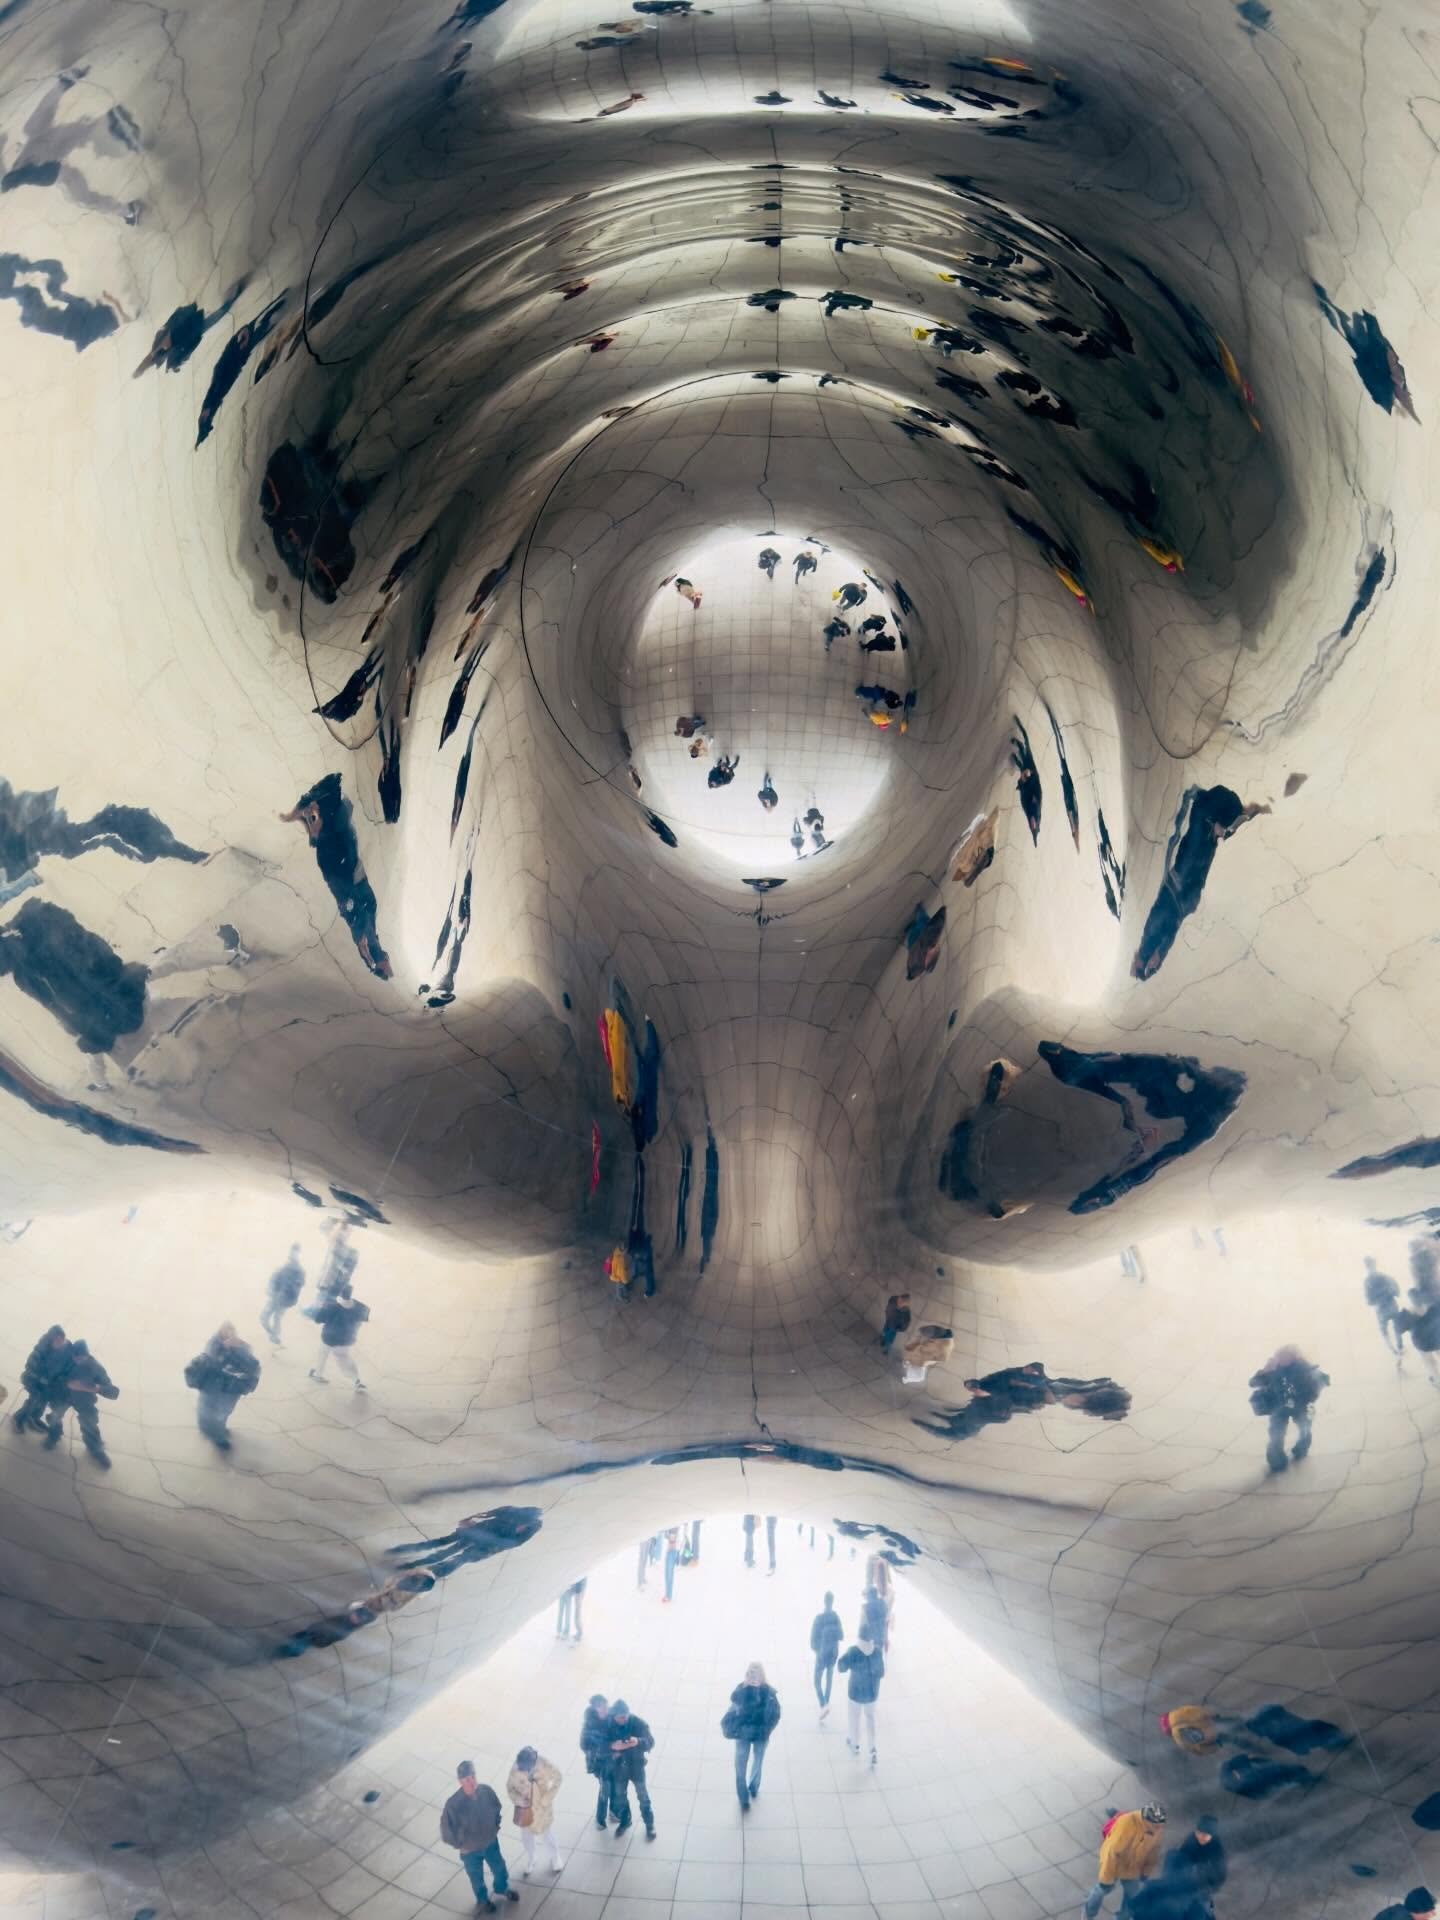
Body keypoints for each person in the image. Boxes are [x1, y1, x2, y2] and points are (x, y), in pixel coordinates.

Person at [440, 1760, 519, 1914]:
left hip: (490, 1842)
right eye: (466, 1779)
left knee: (500, 1868)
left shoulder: (486, 1791)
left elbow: (497, 1808)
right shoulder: (453, 1804)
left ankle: (502, 1888)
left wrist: (494, 1828)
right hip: (470, 1852)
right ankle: (483, 1900)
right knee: (477, 1878)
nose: (471, 1782)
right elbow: (446, 1831)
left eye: (473, 1776)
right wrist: (462, 1843)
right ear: (460, 1781)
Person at [1248, 1346, 1328, 1472]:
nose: (1283, 1359)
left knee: (1304, 1429)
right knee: (1276, 1433)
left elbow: (1316, 1385)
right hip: (1280, 1406)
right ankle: (1276, 1461)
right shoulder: (1274, 1370)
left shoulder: (1303, 1368)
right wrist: (1264, 1371)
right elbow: (1253, 1383)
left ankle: (1301, 1448)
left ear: (1294, 1357)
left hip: (1301, 1406)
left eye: (1286, 1356)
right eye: (1280, 1357)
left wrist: (1305, 1399)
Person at [41, 1338, 118, 1468]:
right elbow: (53, 1377)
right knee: (55, 1415)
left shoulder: (95, 1367)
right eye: (75, 1358)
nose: (77, 1361)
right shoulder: (65, 1361)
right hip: (64, 1396)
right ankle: (54, 1434)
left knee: (89, 1423)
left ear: (87, 1355)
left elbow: (114, 1392)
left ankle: (95, 1448)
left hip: (84, 1399)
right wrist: (65, 1383)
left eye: (81, 1358)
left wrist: (90, 1388)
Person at [183, 1322, 261, 1450]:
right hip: (212, 1389)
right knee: (209, 1414)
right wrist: (225, 1350)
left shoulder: (242, 1347)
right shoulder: (213, 1346)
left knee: (224, 1412)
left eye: (232, 1333)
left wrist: (238, 1349)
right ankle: (218, 1439)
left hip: (230, 1390)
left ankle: (220, 1429)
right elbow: (211, 1362)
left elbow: (252, 1366)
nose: (229, 1338)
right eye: (225, 1334)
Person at [1082, 1804, 1167, 1918]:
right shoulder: (1127, 1823)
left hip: (1133, 1868)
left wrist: (1145, 1872)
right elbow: (1111, 1852)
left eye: (1161, 1825)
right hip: (1115, 1864)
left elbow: (1153, 1852)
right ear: (1147, 1821)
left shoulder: (1157, 1829)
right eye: (1157, 1826)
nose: (1159, 1829)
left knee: (1133, 1898)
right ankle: (1088, 1914)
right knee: (1102, 1890)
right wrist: (1106, 1878)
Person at [1129, 1819, 1225, 1920]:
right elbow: (1181, 1857)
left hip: (1199, 1886)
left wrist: (1205, 1886)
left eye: (1205, 1835)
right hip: (1181, 1879)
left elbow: (1219, 1877)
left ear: (1212, 1836)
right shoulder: (1191, 1839)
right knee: (1155, 1891)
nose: (1201, 1837)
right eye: (1199, 1833)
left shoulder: (1217, 1851)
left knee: (1201, 1909)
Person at [724, 1662, 781, 1809]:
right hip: (742, 1733)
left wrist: (767, 1730)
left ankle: (754, 1786)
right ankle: (743, 1797)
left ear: (761, 1676)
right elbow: (734, 1701)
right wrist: (745, 1687)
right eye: (748, 1673)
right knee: (740, 1765)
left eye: (754, 1674)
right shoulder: (741, 1689)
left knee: (758, 1760)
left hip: (761, 1734)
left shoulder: (768, 1692)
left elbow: (775, 1714)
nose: (751, 1676)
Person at [506, 1746, 563, 1876]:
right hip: (524, 1810)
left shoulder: (544, 1764)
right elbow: (510, 1788)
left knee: (547, 1835)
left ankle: (556, 1857)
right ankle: (532, 1858)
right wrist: (517, 1800)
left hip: (541, 1808)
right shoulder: (516, 1768)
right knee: (526, 1837)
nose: (524, 1771)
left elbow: (558, 1778)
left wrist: (546, 1799)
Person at [606, 1700, 656, 1837]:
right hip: (618, 1769)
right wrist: (611, 1746)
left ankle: (650, 1825)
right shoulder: (608, 1724)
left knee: (643, 1797)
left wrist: (638, 1741)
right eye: (620, 1717)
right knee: (620, 1797)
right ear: (614, 1716)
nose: (624, 1719)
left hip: (636, 1767)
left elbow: (650, 1742)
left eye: (625, 1716)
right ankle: (625, 1821)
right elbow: (601, 1744)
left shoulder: (638, 1723)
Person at [308, 1286, 371, 1391]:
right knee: (345, 1360)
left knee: (322, 1353)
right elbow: (365, 1313)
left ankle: (317, 1374)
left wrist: (321, 1307)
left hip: (329, 1337)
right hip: (345, 1339)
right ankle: (356, 1381)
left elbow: (318, 1319)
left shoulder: (332, 1306)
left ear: (340, 1294)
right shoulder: (357, 1305)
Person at [12, 1324, 72, 1433]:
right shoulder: (40, 1351)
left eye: (61, 1339)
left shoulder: (67, 1349)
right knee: (35, 1398)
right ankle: (19, 1418)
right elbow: (30, 1368)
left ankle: (34, 1418)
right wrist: (41, 1378)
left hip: (49, 1382)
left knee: (44, 1399)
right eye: (56, 1340)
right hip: (33, 1380)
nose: (59, 1342)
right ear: (51, 1340)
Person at [837, 1632, 884, 1765]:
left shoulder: (853, 1651)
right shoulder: (877, 1652)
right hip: (872, 1693)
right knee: (870, 1719)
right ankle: (872, 1748)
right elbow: (881, 1673)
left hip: (855, 1693)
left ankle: (855, 1743)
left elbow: (841, 1667)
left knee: (854, 1718)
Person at [260, 1243, 305, 1345]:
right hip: (274, 1297)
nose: (293, 1255)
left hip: (284, 1301)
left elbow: (297, 1288)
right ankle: (273, 1335)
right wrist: (270, 1289)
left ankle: (275, 1338)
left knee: (277, 1318)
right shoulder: (283, 1267)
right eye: (292, 1252)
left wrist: (288, 1290)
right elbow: (273, 1278)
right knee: (263, 1318)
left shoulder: (300, 1272)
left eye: (296, 1253)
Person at [581, 1694, 614, 1828]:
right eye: (602, 1707)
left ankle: (613, 1812)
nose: (606, 1709)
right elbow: (584, 1745)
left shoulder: (612, 1718)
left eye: (606, 1706)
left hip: (613, 1760)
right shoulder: (590, 1726)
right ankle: (600, 1818)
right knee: (605, 1789)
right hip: (599, 1762)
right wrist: (605, 1746)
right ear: (595, 1709)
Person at [1364, 1256, 1405, 1354]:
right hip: (1392, 1305)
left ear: (1366, 1266)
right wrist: (1390, 1293)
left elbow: (1369, 1301)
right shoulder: (1385, 1276)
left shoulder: (1367, 1282)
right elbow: (1396, 1291)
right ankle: (1400, 1347)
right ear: (1375, 1264)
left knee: (1384, 1332)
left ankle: (1393, 1351)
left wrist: (1377, 1299)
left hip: (1381, 1310)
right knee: (1397, 1326)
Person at [810, 1591, 843, 1713]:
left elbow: (812, 1640)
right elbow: (841, 1635)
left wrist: (817, 1651)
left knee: (816, 1681)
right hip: (833, 1655)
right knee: (829, 1679)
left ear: (824, 1601)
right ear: (832, 1602)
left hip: (821, 1656)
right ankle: (827, 1702)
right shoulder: (836, 1617)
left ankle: (823, 1704)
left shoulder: (818, 1619)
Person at [662, 1525, 681, 1602]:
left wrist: (667, 1532)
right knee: (669, 1574)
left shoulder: (675, 1526)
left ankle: (668, 1595)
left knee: (668, 1574)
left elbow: (669, 1537)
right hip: (672, 1551)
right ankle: (668, 1594)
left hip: (672, 1551)